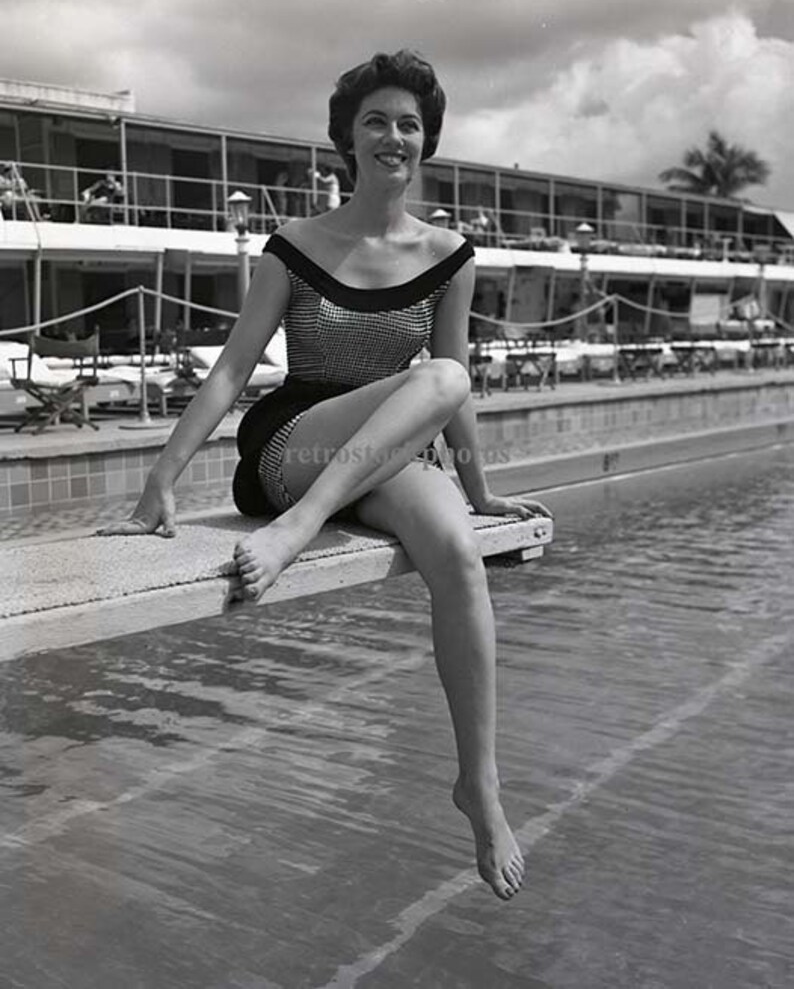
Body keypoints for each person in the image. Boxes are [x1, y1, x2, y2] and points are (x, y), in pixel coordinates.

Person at [100, 49, 551, 901]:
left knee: (458, 551)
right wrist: (161, 482)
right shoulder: (297, 245)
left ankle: (480, 785)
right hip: (295, 448)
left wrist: (480, 493)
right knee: (443, 378)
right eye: (376, 121)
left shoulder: (453, 254)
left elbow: (448, 394)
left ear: (427, 143)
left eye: (409, 124)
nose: (394, 136)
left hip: (387, 453)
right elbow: (235, 369)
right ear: (347, 138)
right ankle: (300, 527)